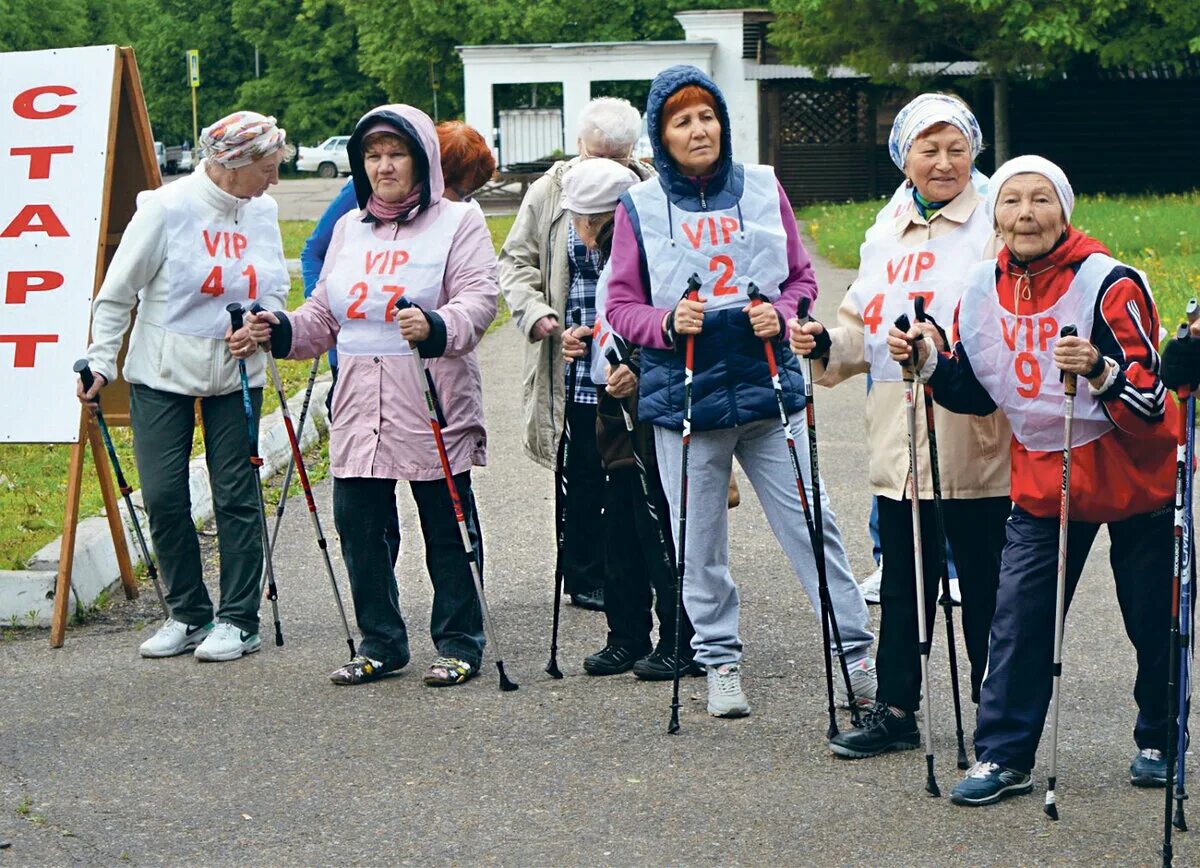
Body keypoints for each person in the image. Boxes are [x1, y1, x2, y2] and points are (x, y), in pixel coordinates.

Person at [887, 155, 1176, 805]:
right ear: (995, 217)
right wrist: (930, 361)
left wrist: (1100, 369)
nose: (1026, 213)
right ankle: (1004, 755)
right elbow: (978, 392)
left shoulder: (1110, 283)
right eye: (1011, 201)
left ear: (1065, 212)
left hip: (1135, 477)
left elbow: (1152, 403)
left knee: (1153, 620)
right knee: (1019, 620)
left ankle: (1161, 736)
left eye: (1041, 199)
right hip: (1049, 479)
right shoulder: (983, 288)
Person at [605, 65, 876, 719]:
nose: (698, 130)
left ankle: (857, 656)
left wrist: (784, 316)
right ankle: (720, 659)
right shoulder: (638, 206)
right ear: (660, 135)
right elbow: (620, 304)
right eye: (681, 121)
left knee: (815, 529)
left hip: (766, 392)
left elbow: (801, 278)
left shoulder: (760, 186)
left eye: (706, 116)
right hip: (687, 396)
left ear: (722, 122)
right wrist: (666, 325)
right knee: (698, 540)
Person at [244, 104, 499, 687]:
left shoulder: (459, 221)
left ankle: (460, 641)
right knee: (359, 524)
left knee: (446, 523)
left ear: (422, 159)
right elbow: (323, 316)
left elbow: (480, 301)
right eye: (373, 156)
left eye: (396, 154)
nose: (384, 167)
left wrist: (436, 325)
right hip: (360, 398)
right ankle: (381, 643)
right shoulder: (348, 228)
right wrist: (280, 329)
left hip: (429, 394)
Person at [790, 93, 1011, 759]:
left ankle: (998, 717)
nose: (944, 163)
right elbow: (861, 324)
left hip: (974, 437)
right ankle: (895, 709)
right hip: (898, 434)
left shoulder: (994, 219)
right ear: (904, 157)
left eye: (956, 148)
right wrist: (825, 341)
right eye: (928, 149)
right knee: (902, 582)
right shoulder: (887, 228)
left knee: (984, 588)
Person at [78, 111, 292, 661]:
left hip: (236, 374)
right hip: (163, 373)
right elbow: (116, 293)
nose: (273, 181)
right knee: (165, 496)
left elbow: (274, 287)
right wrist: (101, 363)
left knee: (236, 495)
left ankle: (239, 620)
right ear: (230, 163)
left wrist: (263, 324)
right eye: (266, 169)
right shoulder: (167, 209)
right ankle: (188, 613)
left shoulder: (261, 210)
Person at [498, 97, 657, 612]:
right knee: (582, 472)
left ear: (631, 151)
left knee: (635, 471)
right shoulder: (551, 191)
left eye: (615, 156)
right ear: (580, 146)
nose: (602, 166)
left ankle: (639, 568)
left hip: (633, 358)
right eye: (594, 154)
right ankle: (584, 575)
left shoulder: (650, 190)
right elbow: (516, 261)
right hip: (571, 356)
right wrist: (542, 318)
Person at [558, 157, 702, 679]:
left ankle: (684, 638)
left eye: (580, 220)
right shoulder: (609, 255)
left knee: (658, 525)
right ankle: (626, 635)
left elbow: (671, 322)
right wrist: (583, 340)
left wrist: (637, 369)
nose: (577, 231)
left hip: (653, 406)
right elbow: (611, 319)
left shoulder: (648, 252)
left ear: (598, 219)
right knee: (618, 522)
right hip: (611, 406)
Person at [299, 122, 497, 414]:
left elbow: (476, 295)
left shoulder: (459, 217)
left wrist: (436, 326)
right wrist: (337, 315)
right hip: (355, 353)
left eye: (469, 194)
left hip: (424, 371)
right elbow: (314, 251)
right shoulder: (365, 191)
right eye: (456, 189)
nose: (458, 200)